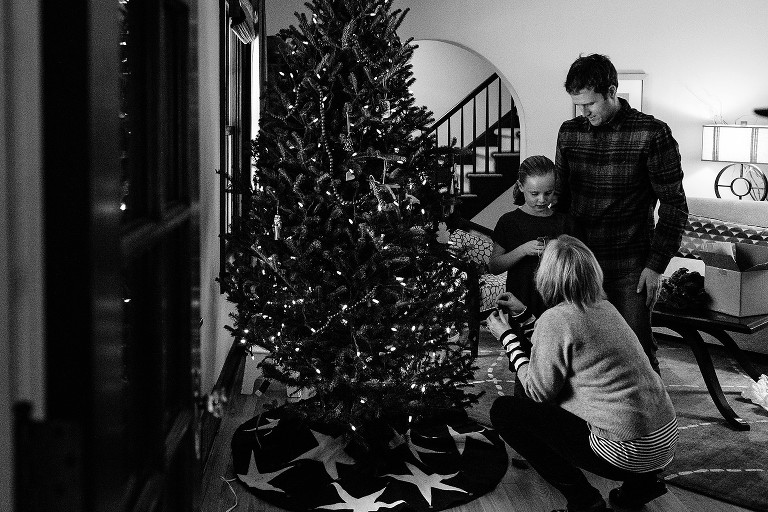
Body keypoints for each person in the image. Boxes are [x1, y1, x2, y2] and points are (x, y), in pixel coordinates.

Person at [488, 235, 678, 512]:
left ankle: (584, 501)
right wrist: (525, 316)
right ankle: (640, 487)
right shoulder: (605, 308)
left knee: (506, 412)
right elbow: (561, 343)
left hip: (625, 450)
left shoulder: (556, 319)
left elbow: (537, 391)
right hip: (663, 442)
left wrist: (506, 337)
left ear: (546, 277)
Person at [554, 53, 688, 373]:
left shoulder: (653, 133)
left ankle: (650, 420)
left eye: (590, 104)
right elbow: (562, 198)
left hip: (631, 262)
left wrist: (655, 267)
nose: (583, 112)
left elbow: (674, 205)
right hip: (581, 261)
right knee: (582, 351)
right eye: (578, 105)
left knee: (636, 352)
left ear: (612, 91)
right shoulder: (569, 132)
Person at [489, 155, 566, 319]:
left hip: (557, 308)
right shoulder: (509, 222)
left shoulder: (565, 223)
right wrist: (522, 250)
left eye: (548, 193)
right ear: (521, 186)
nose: (542, 200)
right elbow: (494, 266)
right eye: (534, 193)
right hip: (519, 303)